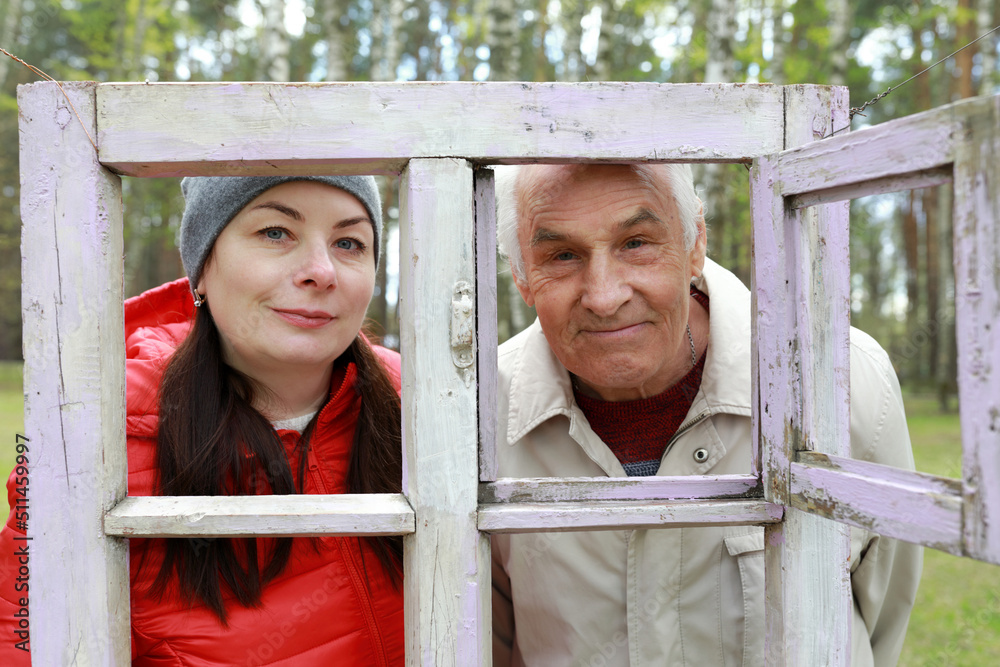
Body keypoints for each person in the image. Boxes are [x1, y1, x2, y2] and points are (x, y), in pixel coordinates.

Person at [490, 163, 921, 667]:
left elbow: (881, 612)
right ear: (522, 277)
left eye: (636, 242)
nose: (605, 297)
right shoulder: (481, 411)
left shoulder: (836, 379)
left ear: (695, 244)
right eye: (562, 255)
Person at [0, 176, 405, 665]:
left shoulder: (431, 408)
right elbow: (27, 644)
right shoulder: (89, 444)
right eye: (275, 232)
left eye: (349, 242)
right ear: (202, 268)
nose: (321, 272)